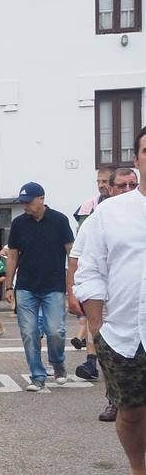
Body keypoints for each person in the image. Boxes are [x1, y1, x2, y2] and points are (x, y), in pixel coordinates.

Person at [72, 127, 146, 475]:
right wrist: (97, 325)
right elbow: (90, 270)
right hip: (124, 332)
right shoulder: (111, 213)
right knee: (132, 411)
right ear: (136, 159)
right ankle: (139, 473)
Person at [70, 166, 139, 420]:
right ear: (110, 189)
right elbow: (77, 257)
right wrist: (73, 294)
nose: (127, 190)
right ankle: (114, 401)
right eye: (121, 185)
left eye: (132, 184)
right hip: (110, 302)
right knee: (115, 359)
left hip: (137, 302)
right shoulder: (99, 217)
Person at [5, 182, 75, 392]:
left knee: (56, 331)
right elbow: (13, 255)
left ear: (41, 198)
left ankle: (58, 363)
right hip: (25, 286)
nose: (24, 206)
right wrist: (9, 286)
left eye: (28, 202)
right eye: (22, 202)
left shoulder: (60, 220)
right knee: (29, 332)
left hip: (53, 285)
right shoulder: (18, 224)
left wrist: (72, 284)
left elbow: (71, 252)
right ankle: (37, 376)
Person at [70, 169, 112, 350]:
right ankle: (92, 360)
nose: (102, 185)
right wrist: (72, 290)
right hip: (95, 275)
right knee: (95, 323)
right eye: (99, 181)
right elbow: (76, 252)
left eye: (105, 181)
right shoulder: (90, 208)